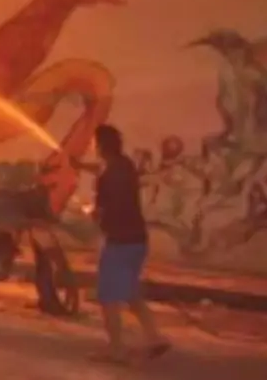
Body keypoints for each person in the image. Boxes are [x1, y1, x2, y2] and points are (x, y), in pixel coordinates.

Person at [76, 123, 171, 364]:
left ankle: (116, 349)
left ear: (100, 146)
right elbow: (104, 171)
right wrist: (80, 166)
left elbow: (101, 212)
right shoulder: (126, 165)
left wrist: (88, 211)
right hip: (138, 240)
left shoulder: (106, 178)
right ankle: (155, 337)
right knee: (130, 292)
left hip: (118, 242)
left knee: (108, 297)